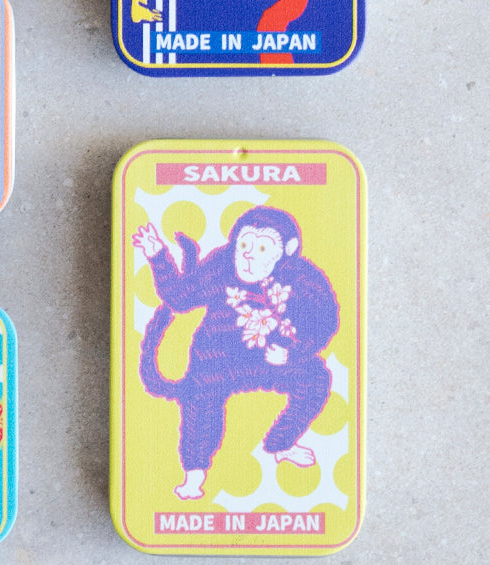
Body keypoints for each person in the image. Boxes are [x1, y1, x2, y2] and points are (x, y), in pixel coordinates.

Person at [134, 206, 339, 500]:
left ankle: (281, 444)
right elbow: (181, 298)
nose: (248, 255)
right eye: (244, 244)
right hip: (217, 358)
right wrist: (157, 256)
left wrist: (293, 353)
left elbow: (325, 322)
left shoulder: (303, 278)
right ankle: (194, 475)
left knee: (316, 379)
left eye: (262, 247)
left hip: (271, 357)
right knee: (200, 402)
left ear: (287, 251)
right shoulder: (223, 263)